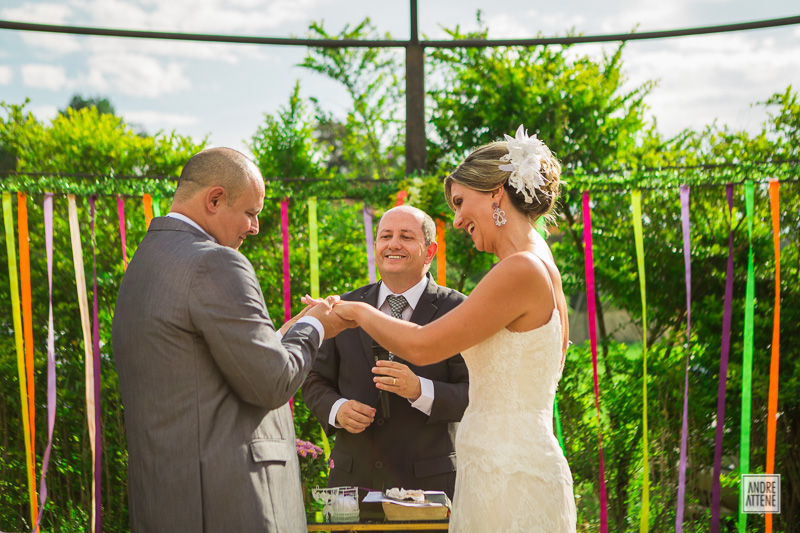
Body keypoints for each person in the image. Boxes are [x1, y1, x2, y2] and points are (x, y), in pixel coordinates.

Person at [333, 126, 577, 532]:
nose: (458, 219)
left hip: (508, 478)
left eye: (461, 202)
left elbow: (423, 346)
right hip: (504, 466)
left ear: (496, 193)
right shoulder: (540, 261)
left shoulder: (520, 268)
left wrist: (355, 311)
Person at [112, 147, 349, 532]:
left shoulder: (146, 260)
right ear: (215, 199)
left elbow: (203, 367)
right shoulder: (215, 261)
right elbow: (272, 382)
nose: (254, 227)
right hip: (227, 503)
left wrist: (284, 334)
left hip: (170, 500)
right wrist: (315, 326)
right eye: (250, 213)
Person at [302, 206, 468, 510]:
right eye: (386, 236)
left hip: (429, 489)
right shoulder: (344, 306)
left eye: (406, 237)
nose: (393, 244)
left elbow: (475, 394)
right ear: (376, 245)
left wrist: (420, 390)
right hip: (353, 486)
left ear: (430, 251)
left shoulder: (458, 309)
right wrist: (337, 409)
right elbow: (313, 379)